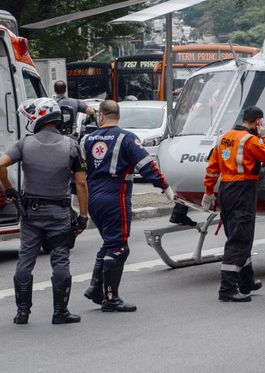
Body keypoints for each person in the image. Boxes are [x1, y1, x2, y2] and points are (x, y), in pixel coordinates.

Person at [0, 98, 89, 324]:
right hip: (58, 214)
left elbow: (0, 164)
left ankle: (22, 313)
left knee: (25, 260)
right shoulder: (71, 146)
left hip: (31, 214)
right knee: (60, 261)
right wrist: (83, 216)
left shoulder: (24, 144)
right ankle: (60, 312)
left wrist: (9, 189)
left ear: (39, 118)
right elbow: (81, 185)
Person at [82, 100, 174, 312]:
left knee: (108, 242)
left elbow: (77, 171)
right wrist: (165, 187)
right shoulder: (127, 138)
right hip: (116, 197)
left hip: (93, 197)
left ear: (101, 116)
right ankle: (111, 298)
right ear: (118, 116)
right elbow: (147, 166)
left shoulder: (87, 139)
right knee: (118, 247)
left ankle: (96, 288)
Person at [202, 106, 265, 302]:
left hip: (226, 188)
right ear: (258, 122)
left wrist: (209, 191)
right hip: (243, 188)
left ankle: (246, 281)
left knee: (237, 233)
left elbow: (212, 167)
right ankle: (227, 288)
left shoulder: (224, 137)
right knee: (240, 238)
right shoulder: (251, 140)